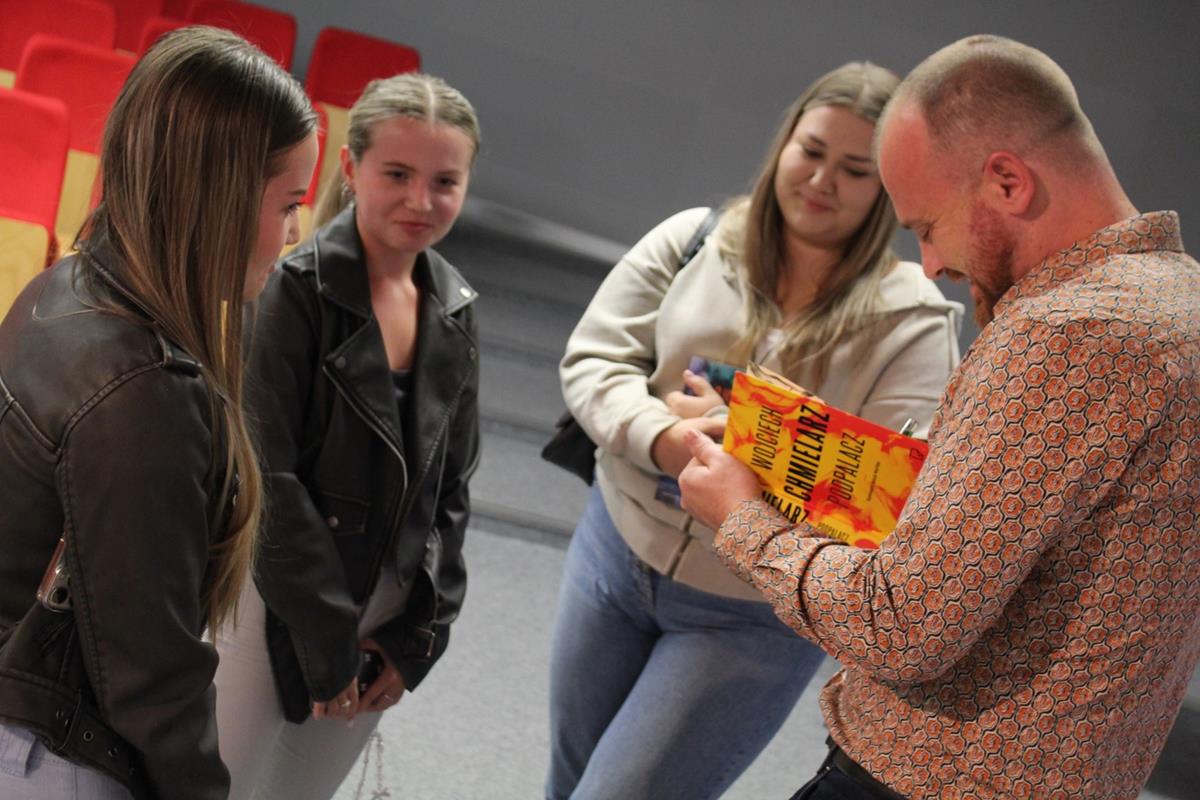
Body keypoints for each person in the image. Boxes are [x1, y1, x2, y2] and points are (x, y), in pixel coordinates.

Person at [679, 34, 1200, 800]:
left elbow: (902, 624)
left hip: (932, 780)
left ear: (1008, 182)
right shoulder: (1179, 301)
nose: (930, 264)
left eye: (926, 227)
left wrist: (739, 518)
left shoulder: (1067, 332)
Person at [546, 62, 963, 800]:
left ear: (887, 188)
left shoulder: (914, 319)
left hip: (750, 612)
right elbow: (594, 361)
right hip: (616, 547)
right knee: (567, 782)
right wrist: (666, 438)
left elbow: (896, 493)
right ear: (783, 145)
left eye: (855, 170)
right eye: (812, 152)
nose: (823, 181)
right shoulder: (694, 238)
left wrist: (741, 441)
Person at [0, 26, 317, 800]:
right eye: (288, 205)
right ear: (220, 198)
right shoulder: (143, 392)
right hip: (52, 754)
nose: (294, 235)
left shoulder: (62, 287)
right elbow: (151, 676)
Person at [211, 72, 481, 799]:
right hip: (275, 595)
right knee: (218, 786)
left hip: (379, 612)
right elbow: (268, 479)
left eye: (445, 182)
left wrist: (419, 634)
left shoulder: (455, 307)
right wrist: (326, 638)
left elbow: (452, 489)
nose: (421, 201)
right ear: (350, 168)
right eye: (397, 174)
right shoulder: (291, 291)